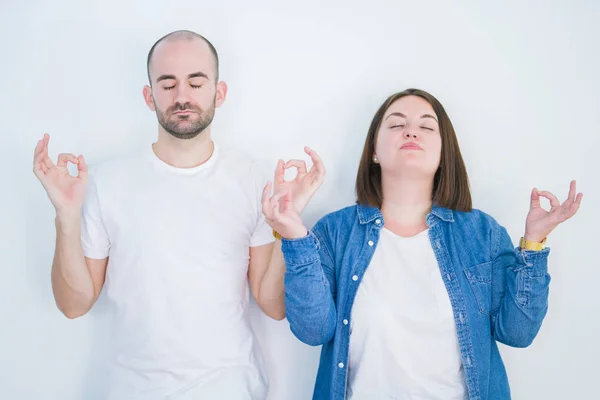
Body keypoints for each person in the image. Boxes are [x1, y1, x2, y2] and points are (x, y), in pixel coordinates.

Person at [262, 88, 583, 400]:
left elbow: (518, 333)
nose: (411, 132)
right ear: (374, 150)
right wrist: (292, 234)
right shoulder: (336, 232)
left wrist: (534, 244)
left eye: (426, 126)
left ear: (445, 153)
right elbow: (312, 330)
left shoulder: (482, 233)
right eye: (397, 124)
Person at [32, 30, 290, 400]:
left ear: (219, 93)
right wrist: (66, 216)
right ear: (148, 95)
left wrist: (286, 224)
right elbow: (74, 305)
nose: (181, 96)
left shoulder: (253, 180)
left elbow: (274, 306)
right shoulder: (107, 183)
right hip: (131, 389)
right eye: (167, 84)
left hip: (230, 388)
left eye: (195, 83)